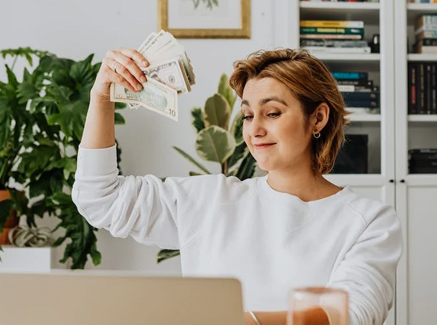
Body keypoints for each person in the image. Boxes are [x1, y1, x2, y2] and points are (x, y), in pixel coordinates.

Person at [72, 47, 403, 325]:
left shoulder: (369, 222)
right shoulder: (209, 200)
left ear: (317, 118)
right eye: (247, 115)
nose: (255, 129)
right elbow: (100, 198)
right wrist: (101, 99)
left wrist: (240, 320)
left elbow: (352, 314)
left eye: (272, 113)